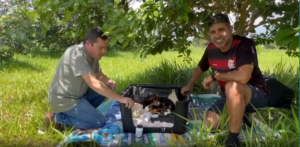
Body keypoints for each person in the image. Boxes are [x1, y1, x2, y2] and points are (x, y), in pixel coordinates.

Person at [181, 13, 269, 147]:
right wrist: (189, 85)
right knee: (208, 125)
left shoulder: (244, 44)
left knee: (232, 85)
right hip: (229, 97)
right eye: (213, 32)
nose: (217, 35)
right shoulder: (210, 49)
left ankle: (232, 140)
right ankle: (241, 114)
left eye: (221, 30)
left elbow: (243, 77)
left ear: (230, 29)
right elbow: (201, 67)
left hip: (255, 93)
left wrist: (216, 75)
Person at [44, 28, 134, 131]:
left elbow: (98, 74)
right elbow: (93, 82)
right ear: (88, 43)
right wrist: (121, 99)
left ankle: (85, 114)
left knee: (106, 87)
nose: (104, 51)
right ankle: (58, 117)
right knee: (99, 122)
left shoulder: (93, 55)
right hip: (65, 100)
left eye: (105, 47)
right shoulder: (76, 54)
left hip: (79, 95)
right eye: (101, 47)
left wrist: (108, 81)